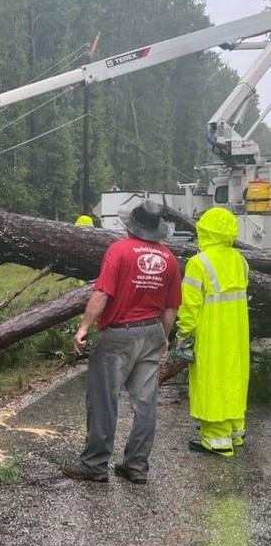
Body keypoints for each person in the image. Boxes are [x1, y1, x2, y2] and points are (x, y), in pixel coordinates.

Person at [63, 199, 181, 484]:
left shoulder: (119, 250)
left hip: (118, 335)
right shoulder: (169, 259)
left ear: (132, 227)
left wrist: (84, 327)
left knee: (104, 398)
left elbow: (102, 293)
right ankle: (136, 466)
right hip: (152, 331)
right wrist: (164, 338)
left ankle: (94, 463)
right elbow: (170, 307)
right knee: (145, 402)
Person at [176, 206, 250, 457]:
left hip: (211, 336)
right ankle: (235, 431)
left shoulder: (199, 263)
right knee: (233, 380)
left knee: (212, 383)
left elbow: (190, 305)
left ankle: (216, 440)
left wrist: (183, 334)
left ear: (204, 231)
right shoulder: (240, 261)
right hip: (237, 336)